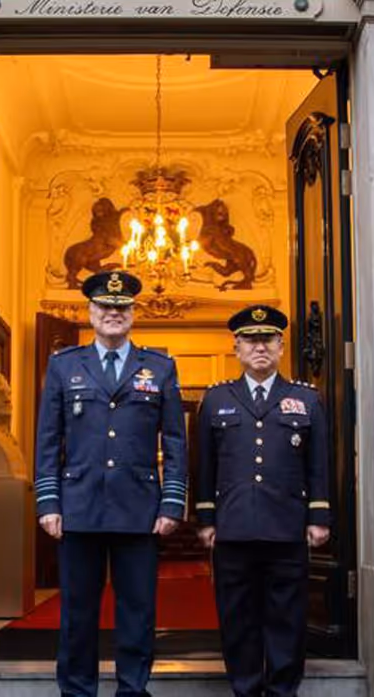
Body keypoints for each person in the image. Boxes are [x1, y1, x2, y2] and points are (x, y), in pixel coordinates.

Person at [34, 269, 188, 697]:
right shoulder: (64, 365)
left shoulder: (159, 367)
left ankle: (132, 690)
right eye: (105, 306)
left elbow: (175, 441)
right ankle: (77, 691)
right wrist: (48, 503)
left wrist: (172, 503)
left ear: (133, 313)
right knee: (78, 612)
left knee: (137, 611)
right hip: (78, 508)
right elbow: (48, 438)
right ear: (91, 312)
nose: (113, 313)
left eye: (121, 307)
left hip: (139, 509)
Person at [195, 304, 332, 697]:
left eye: (268, 339)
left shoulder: (305, 399)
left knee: (287, 618)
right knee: (237, 618)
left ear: (281, 346)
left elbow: (319, 464)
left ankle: (282, 690)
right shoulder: (216, 399)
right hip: (233, 528)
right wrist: (205, 519)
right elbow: (203, 465)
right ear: (236, 347)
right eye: (251, 340)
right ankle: (246, 689)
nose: (260, 347)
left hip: (286, 527)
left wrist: (319, 516)